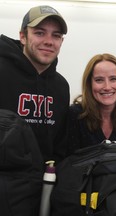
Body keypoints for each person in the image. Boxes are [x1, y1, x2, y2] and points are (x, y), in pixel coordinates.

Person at [0, 5, 70, 163]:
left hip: (44, 182)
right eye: (39, 33)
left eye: (56, 35)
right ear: (23, 36)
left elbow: (60, 145)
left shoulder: (61, 87)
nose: (49, 42)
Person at [68, 53, 116, 153]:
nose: (107, 87)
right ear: (89, 84)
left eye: (113, 79)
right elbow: (70, 162)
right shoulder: (74, 115)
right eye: (99, 80)